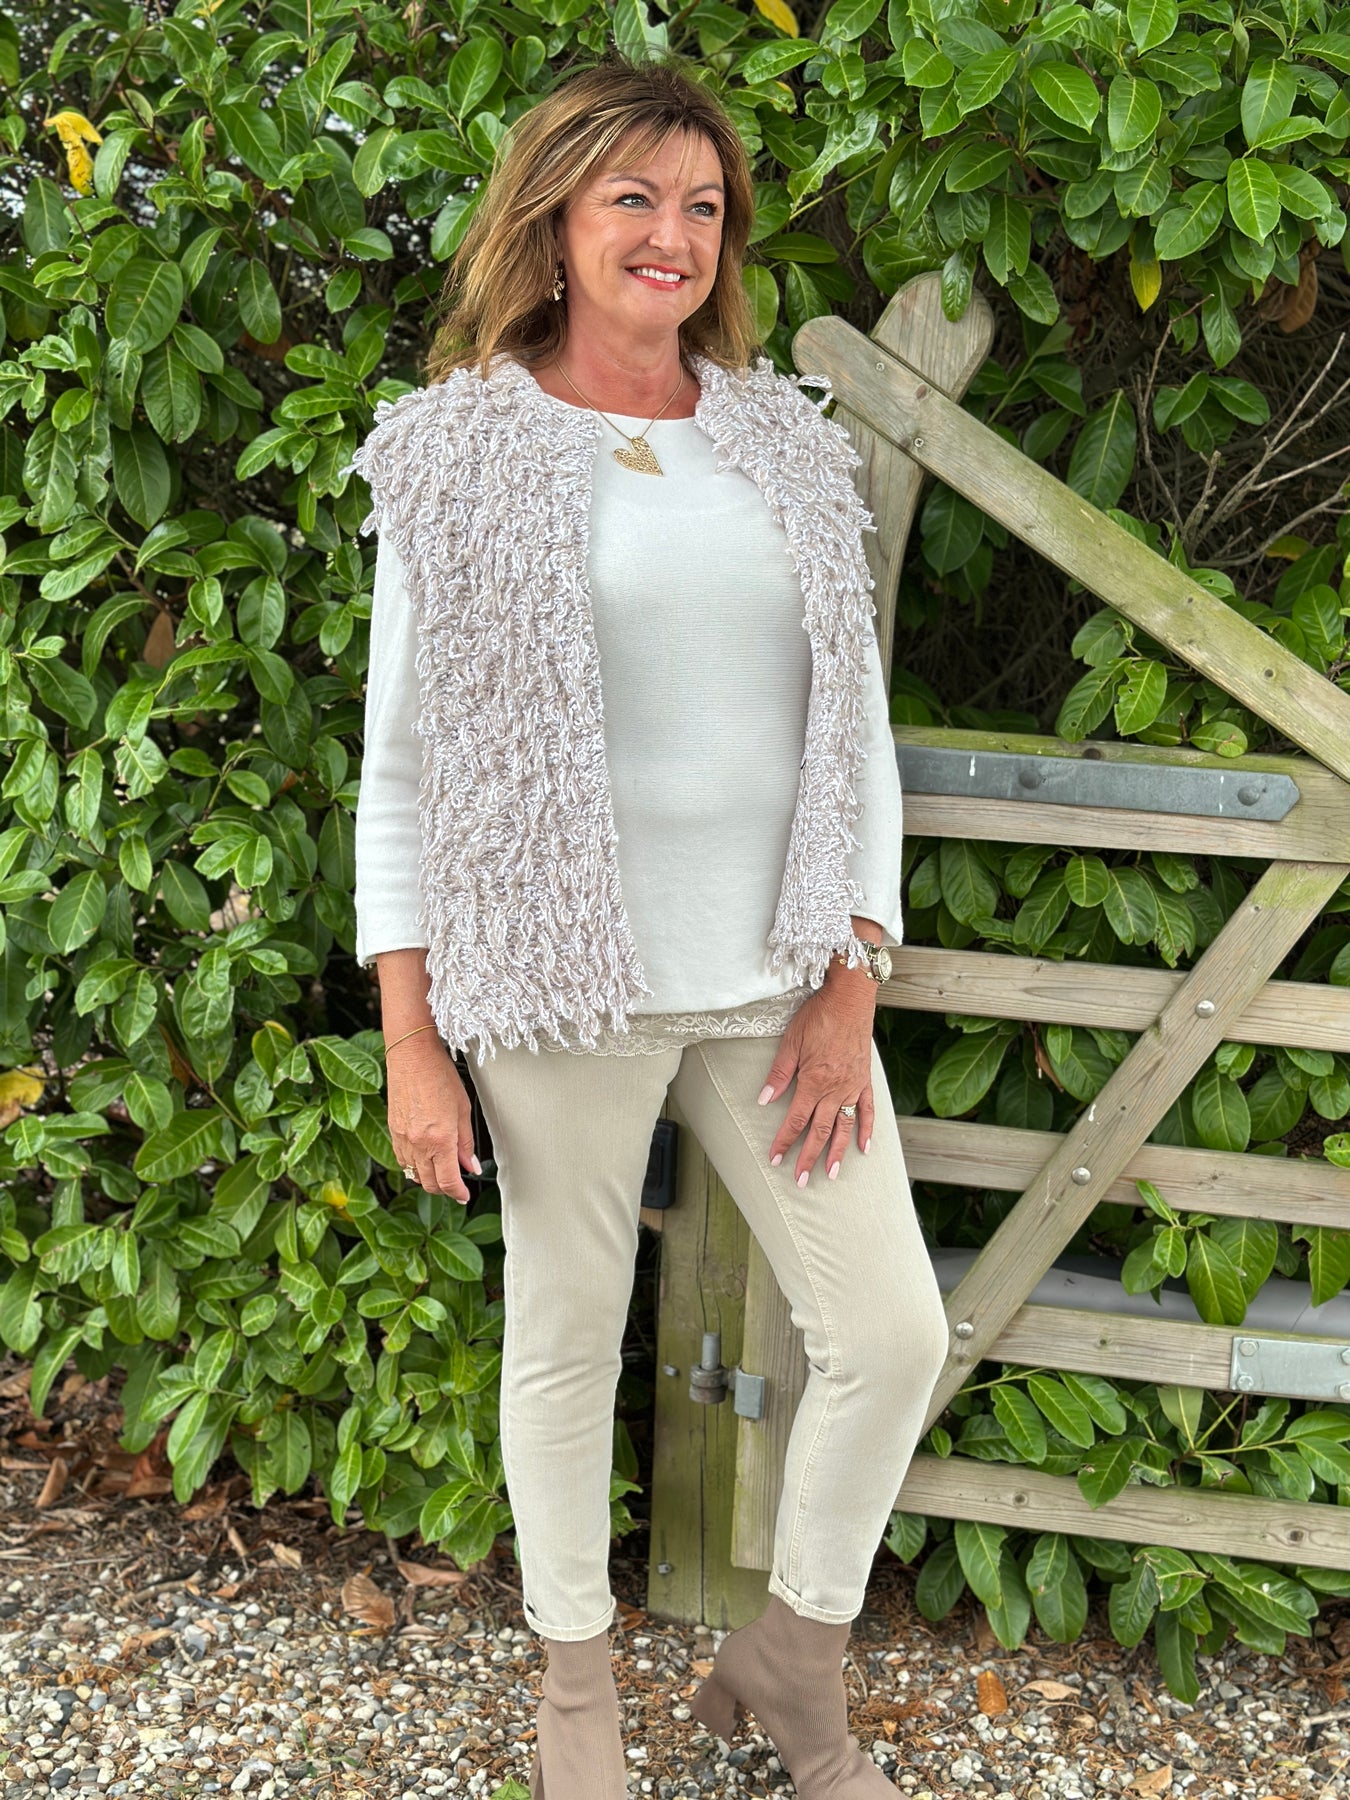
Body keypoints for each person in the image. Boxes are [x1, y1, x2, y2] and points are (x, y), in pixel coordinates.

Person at [349, 50, 949, 1800]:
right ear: (552, 222)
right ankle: (576, 1704)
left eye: (700, 206)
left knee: (889, 1337)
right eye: (633, 199)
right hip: (556, 988)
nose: (670, 235)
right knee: (562, 1338)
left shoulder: (782, 445)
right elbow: (401, 774)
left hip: (775, 980)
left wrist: (848, 974)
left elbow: (854, 736)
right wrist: (410, 1041)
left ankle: (791, 1666)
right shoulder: (456, 451)